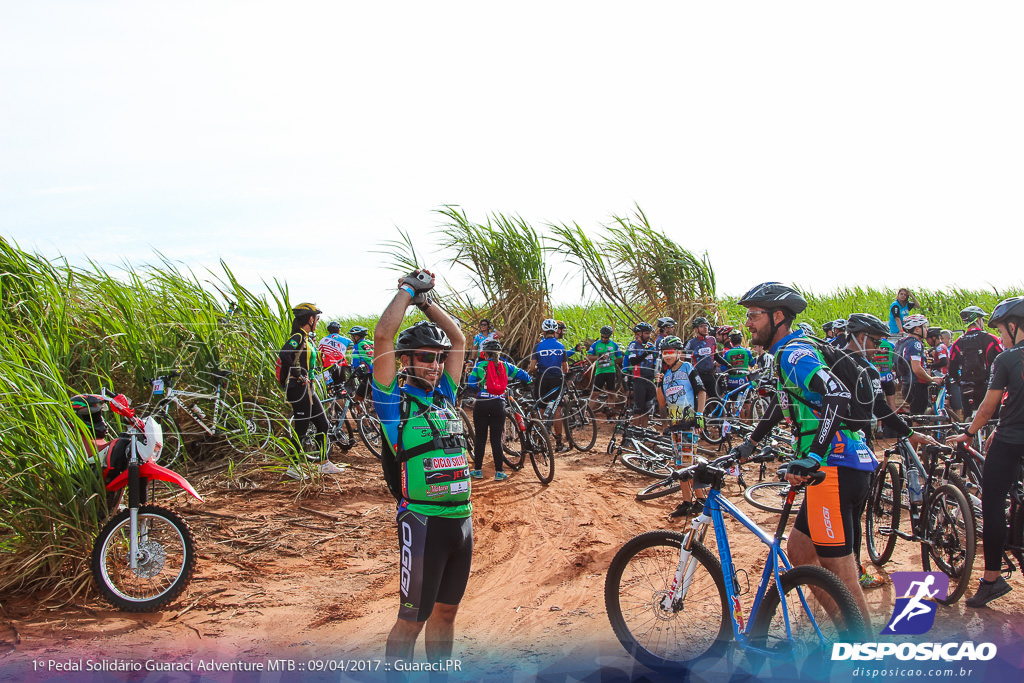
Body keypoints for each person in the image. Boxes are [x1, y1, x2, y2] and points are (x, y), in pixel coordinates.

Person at [730, 282, 875, 626]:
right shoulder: (790, 353)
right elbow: (785, 405)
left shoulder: (793, 354)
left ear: (778, 317)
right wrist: (752, 441)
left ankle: (865, 654)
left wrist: (814, 456)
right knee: (800, 553)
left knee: (843, 576)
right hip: (841, 466)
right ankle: (846, 631)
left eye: (754, 315)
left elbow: (836, 396)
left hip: (834, 467)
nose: (747, 323)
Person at [371, 269, 472, 666]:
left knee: (446, 615)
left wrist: (427, 303)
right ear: (406, 361)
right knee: (412, 619)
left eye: (438, 358)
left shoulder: (445, 395)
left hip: (461, 521)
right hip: (423, 523)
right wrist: (407, 292)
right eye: (426, 358)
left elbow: (459, 339)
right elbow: (383, 336)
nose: (434, 365)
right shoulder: (394, 404)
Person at [842, 313, 939, 587]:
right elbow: (880, 408)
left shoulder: (828, 360)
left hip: (825, 451)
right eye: (875, 341)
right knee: (852, 517)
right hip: (853, 450)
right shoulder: (864, 368)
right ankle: (854, 574)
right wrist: (908, 432)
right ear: (861, 338)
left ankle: (831, 572)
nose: (878, 349)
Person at [947, 296, 1024, 607]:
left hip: (1010, 440)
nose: (1001, 338)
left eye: (1002, 332)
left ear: (1015, 326)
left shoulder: (1006, 360)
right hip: (1010, 434)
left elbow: (988, 406)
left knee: (992, 503)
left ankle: (991, 579)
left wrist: (969, 433)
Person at [278, 303, 343, 476]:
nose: (318, 321)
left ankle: (323, 463)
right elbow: (284, 353)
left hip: (308, 388)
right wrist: (298, 374)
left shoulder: (307, 338)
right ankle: (293, 467)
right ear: (310, 318)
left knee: (322, 423)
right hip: (298, 388)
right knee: (301, 426)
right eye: (317, 318)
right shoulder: (298, 336)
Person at [466, 339, 531, 480]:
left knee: (481, 438)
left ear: (485, 354)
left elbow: (471, 383)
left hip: (482, 403)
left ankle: (477, 470)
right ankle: (499, 472)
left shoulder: (479, 366)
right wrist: (528, 381)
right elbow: (524, 375)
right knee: (496, 439)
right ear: (499, 353)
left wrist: (477, 389)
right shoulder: (505, 366)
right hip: (498, 404)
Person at [655, 336, 707, 510]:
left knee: (688, 463)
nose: (667, 356)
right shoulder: (667, 374)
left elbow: (701, 392)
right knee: (680, 465)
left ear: (678, 352)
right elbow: (662, 403)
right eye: (664, 353)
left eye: (670, 352)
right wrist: (659, 384)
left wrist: (699, 416)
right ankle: (688, 501)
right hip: (675, 424)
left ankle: (699, 500)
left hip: (689, 422)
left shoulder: (687, 368)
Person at [948, 305, 1003, 420]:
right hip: (987, 386)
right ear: (978, 320)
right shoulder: (991, 339)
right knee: (993, 419)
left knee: (969, 420)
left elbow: (952, 370)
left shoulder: (957, 343)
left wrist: (961, 381)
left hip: (967, 387)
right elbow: (1001, 360)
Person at [529, 318, 570, 452]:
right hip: (556, 379)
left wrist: (538, 370)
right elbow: (565, 368)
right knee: (557, 410)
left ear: (543, 331)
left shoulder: (538, 346)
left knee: (541, 409)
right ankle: (559, 443)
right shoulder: (561, 346)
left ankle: (540, 441)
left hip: (542, 379)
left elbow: (532, 366)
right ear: (555, 331)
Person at [897, 314, 944, 416]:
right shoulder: (916, 344)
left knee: (919, 414)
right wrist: (932, 379)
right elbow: (917, 369)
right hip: (917, 386)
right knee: (919, 419)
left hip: (906, 384)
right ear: (917, 329)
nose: (927, 330)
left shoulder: (901, 342)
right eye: (925, 327)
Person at [624, 322, 657, 427]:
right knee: (638, 407)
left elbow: (656, 362)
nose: (649, 336)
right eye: (646, 333)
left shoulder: (651, 346)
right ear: (639, 334)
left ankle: (644, 430)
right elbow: (633, 361)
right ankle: (635, 429)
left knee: (647, 408)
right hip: (639, 378)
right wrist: (645, 353)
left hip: (650, 379)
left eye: (649, 333)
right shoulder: (634, 345)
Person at [587, 325, 623, 416]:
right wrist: (599, 357)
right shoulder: (596, 344)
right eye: (602, 337)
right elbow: (589, 357)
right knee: (595, 394)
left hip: (611, 371)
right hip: (600, 372)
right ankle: (587, 415)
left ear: (609, 336)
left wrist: (613, 362)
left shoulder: (613, 345)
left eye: (606, 337)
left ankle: (610, 415)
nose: (604, 339)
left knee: (611, 394)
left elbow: (620, 358)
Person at [685, 317, 719, 399]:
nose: (705, 328)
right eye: (702, 326)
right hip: (698, 375)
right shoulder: (691, 343)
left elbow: (717, 356)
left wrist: (729, 365)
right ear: (696, 329)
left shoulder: (712, 340)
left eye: (706, 326)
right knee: (698, 399)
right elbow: (687, 360)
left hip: (710, 374)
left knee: (716, 399)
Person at [318, 321, 352, 386]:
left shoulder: (323, 340)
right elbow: (354, 346)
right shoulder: (346, 339)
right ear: (339, 330)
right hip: (341, 365)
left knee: (330, 386)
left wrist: (323, 362)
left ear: (329, 330)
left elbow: (318, 355)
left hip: (328, 365)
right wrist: (344, 348)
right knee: (342, 386)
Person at [349, 325, 374, 401]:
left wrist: (357, 374)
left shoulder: (356, 346)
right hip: (381, 372)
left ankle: (361, 413)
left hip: (370, 374)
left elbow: (356, 364)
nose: (351, 338)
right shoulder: (372, 343)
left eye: (352, 336)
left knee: (357, 399)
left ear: (357, 336)